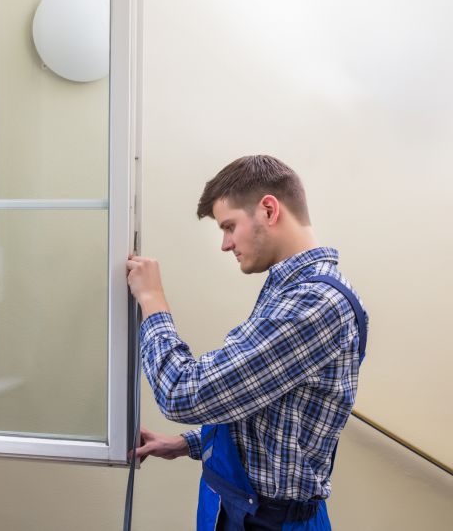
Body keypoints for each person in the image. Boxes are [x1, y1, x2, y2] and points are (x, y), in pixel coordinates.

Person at [126, 155, 368, 531]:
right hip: (238, 507)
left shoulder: (314, 304)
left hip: (269, 523)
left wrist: (153, 302)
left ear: (269, 209)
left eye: (229, 226)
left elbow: (181, 392)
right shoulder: (287, 289)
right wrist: (188, 443)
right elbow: (270, 409)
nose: (225, 244)